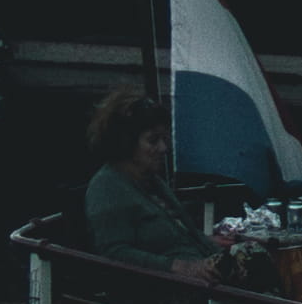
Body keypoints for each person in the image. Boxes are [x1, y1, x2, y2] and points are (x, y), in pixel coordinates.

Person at [82, 87, 214, 272]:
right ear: (126, 142)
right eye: (153, 140)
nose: (163, 148)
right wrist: (180, 268)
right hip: (165, 292)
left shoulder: (150, 181)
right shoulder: (107, 188)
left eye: (164, 139)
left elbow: (185, 233)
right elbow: (114, 253)